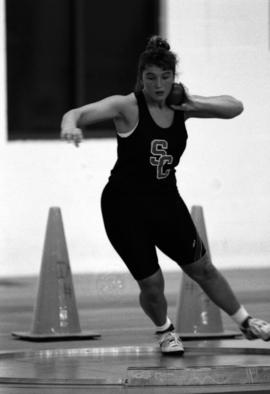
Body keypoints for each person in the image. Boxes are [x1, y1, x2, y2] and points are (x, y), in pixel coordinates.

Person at [60, 36, 270, 354]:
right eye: (150, 77)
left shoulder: (181, 107)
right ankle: (165, 330)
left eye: (165, 77)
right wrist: (69, 127)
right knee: (152, 284)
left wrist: (193, 104)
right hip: (123, 207)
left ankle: (246, 322)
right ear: (141, 78)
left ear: (174, 78)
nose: (158, 84)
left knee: (203, 268)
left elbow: (235, 107)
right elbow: (75, 113)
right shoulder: (126, 106)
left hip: (165, 202)